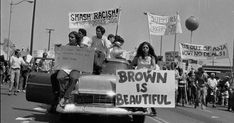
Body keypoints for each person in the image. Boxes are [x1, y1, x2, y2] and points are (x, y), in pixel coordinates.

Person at [130, 41, 157, 115]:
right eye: (144, 47)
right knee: (138, 92)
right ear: (141, 48)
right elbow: (131, 65)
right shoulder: (137, 57)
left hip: (147, 77)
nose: (145, 49)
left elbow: (154, 66)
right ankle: (136, 106)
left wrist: (151, 69)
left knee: (148, 93)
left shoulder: (152, 57)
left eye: (147, 47)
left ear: (149, 49)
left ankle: (150, 107)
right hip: (138, 78)